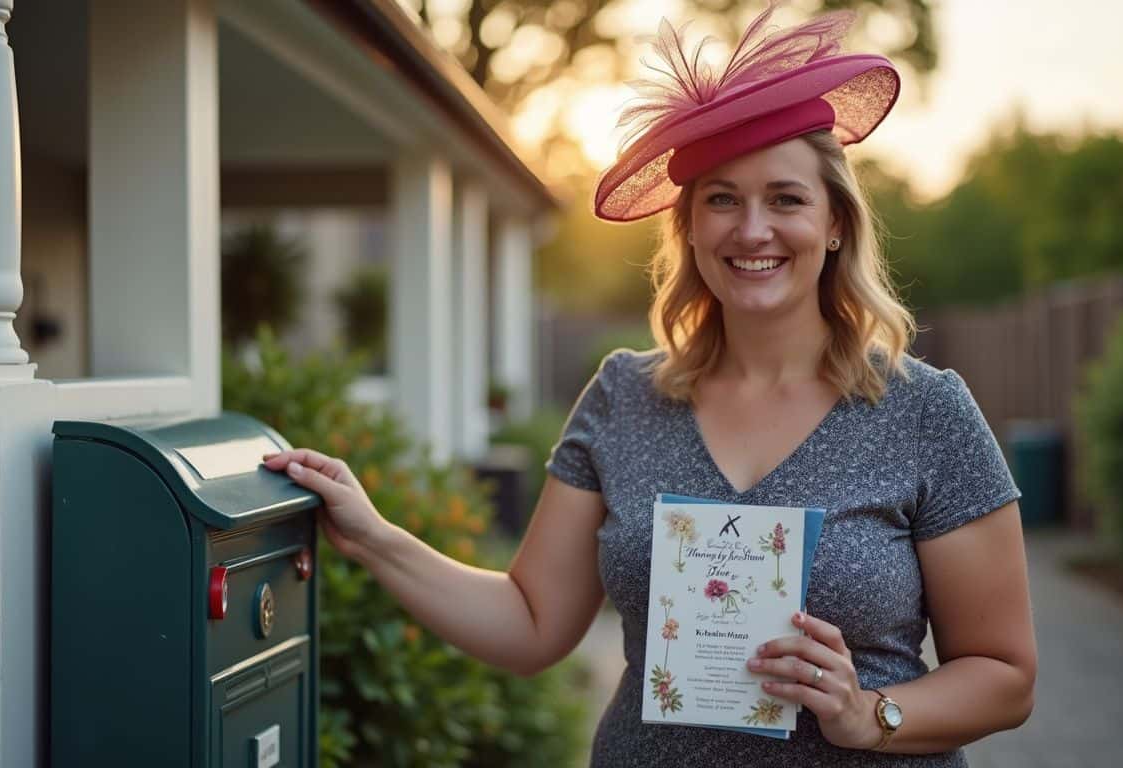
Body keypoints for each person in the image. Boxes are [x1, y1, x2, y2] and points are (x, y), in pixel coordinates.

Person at [264, 4, 1036, 765]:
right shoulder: (624, 398)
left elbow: (1005, 677)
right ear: (690, 228)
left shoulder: (925, 410)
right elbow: (531, 623)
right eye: (722, 199)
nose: (752, 228)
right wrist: (372, 536)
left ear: (836, 222)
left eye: (787, 198)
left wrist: (872, 714)